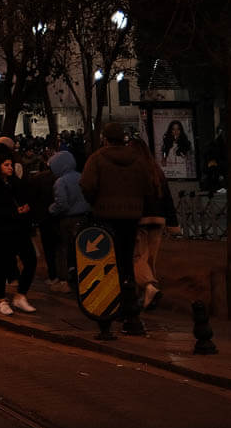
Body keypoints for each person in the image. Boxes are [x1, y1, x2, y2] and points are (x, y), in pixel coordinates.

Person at [80, 122, 155, 336]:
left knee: (107, 262)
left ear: (105, 138)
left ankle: (111, 304)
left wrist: (96, 202)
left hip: (105, 216)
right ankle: (129, 306)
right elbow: (148, 186)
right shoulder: (138, 160)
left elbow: (87, 185)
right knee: (126, 260)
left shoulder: (97, 159)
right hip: (131, 216)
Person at [0, 144, 38, 315]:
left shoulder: (16, 184)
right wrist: (14, 212)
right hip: (2, 232)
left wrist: (26, 209)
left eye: (11, 165)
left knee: (30, 260)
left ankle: (20, 295)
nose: (10, 168)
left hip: (19, 230)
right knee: (2, 265)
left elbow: (26, 198)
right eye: (6, 165)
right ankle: (1, 299)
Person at [132, 140, 177, 311]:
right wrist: (173, 223)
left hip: (141, 220)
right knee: (150, 259)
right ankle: (147, 296)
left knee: (137, 257)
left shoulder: (134, 171)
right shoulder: (156, 170)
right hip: (158, 221)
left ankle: (150, 287)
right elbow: (167, 198)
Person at [47, 146, 90, 294]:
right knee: (82, 250)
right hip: (84, 218)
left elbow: (62, 203)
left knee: (64, 251)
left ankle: (65, 281)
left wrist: (51, 209)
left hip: (68, 220)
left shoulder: (60, 182)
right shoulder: (81, 176)